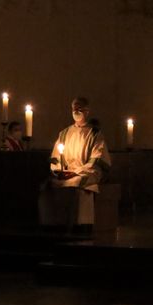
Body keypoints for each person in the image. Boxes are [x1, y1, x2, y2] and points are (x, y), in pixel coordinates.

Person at [39, 97, 111, 227]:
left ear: (87, 111)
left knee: (77, 182)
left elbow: (97, 157)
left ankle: (78, 225)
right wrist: (59, 170)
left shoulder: (94, 134)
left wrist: (76, 172)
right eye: (74, 108)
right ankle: (55, 224)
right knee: (48, 185)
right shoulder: (64, 133)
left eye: (80, 108)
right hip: (66, 171)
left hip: (85, 171)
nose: (76, 111)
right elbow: (56, 156)